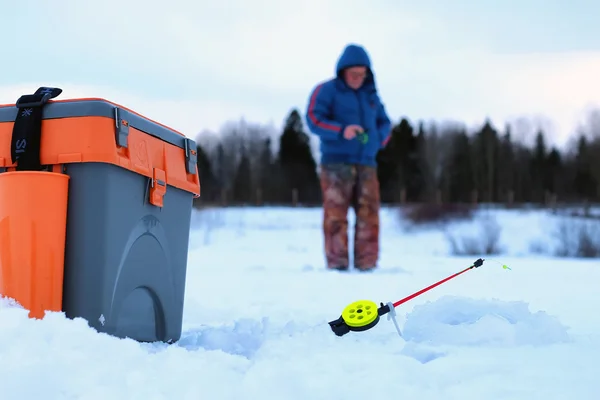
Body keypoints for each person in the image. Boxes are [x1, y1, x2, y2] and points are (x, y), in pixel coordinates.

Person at [305, 43, 392, 272]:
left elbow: (385, 123)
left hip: (367, 163)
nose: (357, 78)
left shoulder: (371, 96)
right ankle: (337, 266)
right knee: (335, 216)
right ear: (343, 71)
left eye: (362, 74)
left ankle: (367, 265)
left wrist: (377, 141)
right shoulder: (326, 90)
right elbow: (314, 118)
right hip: (336, 163)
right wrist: (341, 130)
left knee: (369, 216)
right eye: (353, 74)